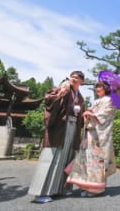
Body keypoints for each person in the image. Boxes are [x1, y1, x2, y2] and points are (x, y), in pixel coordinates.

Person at [28, 70, 85, 203]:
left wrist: (82, 114)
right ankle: (41, 193)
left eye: (77, 78)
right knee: (52, 158)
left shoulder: (80, 97)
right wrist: (61, 92)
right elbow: (49, 100)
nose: (73, 79)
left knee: (66, 157)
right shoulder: (63, 88)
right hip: (60, 128)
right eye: (72, 77)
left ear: (82, 81)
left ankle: (59, 189)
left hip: (73, 129)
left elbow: (80, 117)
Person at [66, 80, 116, 197]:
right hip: (90, 133)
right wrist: (88, 114)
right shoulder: (96, 101)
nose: (97, 89)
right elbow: (93, 115)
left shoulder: (110, 100)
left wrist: (94, 115)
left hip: (99, 135)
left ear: (106, 88)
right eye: (97, 87)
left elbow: (108, 115)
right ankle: (85, 185)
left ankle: (96, 189)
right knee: (86, 159)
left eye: (100, 87)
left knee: (97, 160)